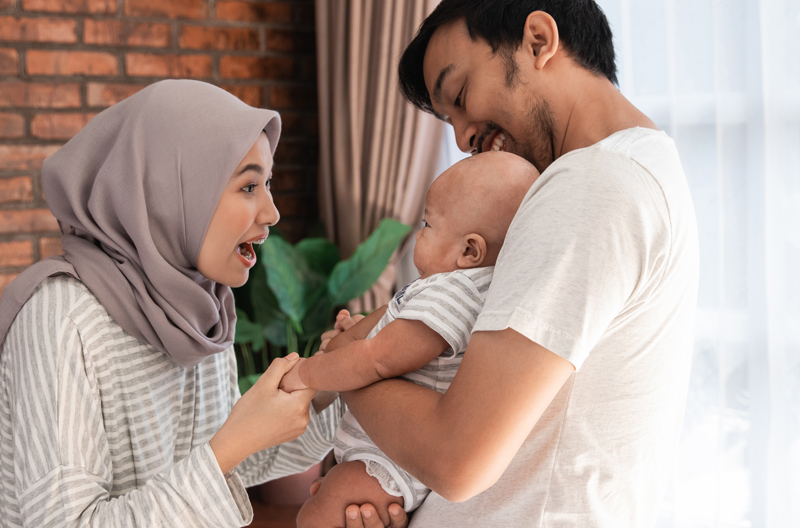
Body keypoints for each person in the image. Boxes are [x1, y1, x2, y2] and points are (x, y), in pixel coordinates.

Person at [324, 1, 700, 526]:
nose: (460, 139)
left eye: (458, 95)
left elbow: (457, 459)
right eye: (447, 119)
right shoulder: (643, 167)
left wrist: (349, 362)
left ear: (539, 41)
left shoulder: (590, 185)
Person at [0, 80, 407, 528]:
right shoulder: (62, 318)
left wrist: (331, 384)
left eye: (267, 183)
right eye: (249, 185)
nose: (271, 212)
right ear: (171, 188)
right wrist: (231, 445)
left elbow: (232, 465)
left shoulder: (199, 308)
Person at [278, 152, 539, 527]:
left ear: (469, 250)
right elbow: (387, 326)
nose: (419, 233)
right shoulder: (449, 288)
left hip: (386, 461)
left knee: (312, 519)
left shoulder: (453, 292)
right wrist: (352, 332)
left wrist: (307, 373)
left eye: (427, 223)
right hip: (382, 448)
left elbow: (377, 359)